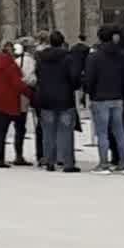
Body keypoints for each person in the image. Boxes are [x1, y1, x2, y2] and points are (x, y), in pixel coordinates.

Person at [84, 24, 124, 168]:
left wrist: (90, 92)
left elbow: (89, 78)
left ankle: (104, 162)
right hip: (117, 96)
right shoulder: (122, 56)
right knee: (119, 131)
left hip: (99, 97)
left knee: (102, 133)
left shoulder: (94, 57)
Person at [30, 32, 80, 170]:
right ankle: (67, 162)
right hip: (65, 98)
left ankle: (49, 161)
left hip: (46, 98)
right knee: (66, 131)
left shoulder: (41, 58)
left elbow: (38, 75)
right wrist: (74, 86)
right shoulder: (68, 58)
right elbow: (74, 77)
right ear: (62, 42)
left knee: (48, 132)